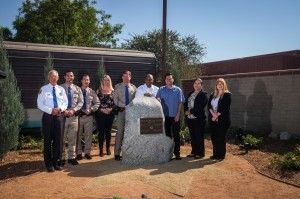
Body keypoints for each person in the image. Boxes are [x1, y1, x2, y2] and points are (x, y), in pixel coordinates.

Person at [37, 70, 68, 172]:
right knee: (47, 140)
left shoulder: (61, 89)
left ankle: (56, 162)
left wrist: (60, 109)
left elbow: (65, 102)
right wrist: (51, 110)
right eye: (52, 76)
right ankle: (48, 163)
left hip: (59, 117)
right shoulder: (43, 89)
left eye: (56, 76)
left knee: (58, 140)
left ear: (58, 78)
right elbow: (40, 104)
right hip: (48, 117)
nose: (54, 78)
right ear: (49, 78)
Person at [156, 73, 185, 160]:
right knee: (167, 136)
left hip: (175, 116)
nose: (169, 80)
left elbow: (180, 103)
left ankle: (177, 153)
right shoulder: (161, 89)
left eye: (170, 78)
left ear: (173, 80)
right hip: (165, 117)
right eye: (167, 79)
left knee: (176, 135)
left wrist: (178, 115)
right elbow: (157, 99)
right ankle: (169, 154)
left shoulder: (178, 90)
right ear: (165, 80)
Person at [60, 70, 83, 165]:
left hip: (74, 117)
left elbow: (81, 102)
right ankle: (61, 158)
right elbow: (57, 101)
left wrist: (74, 110)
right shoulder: (60, 88)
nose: (70, 78)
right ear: (65, 77)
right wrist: (64, 110)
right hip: (63, 117)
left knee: (73, 138)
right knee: (61, 138)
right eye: (68, 76)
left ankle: (71, 157)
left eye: (72, 76)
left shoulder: (77, 89)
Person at [113, 70, 136, 161]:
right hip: (121, 112)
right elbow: (115, 100)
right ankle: (117, 153)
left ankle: (128, 152)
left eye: (128, 76)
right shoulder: (117, 87)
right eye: (125, 76)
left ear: (130, 77)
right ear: (122, 77)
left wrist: (130, 107)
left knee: (130, 132)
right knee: (120, 132)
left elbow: (135, 100)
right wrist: (124, 106)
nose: (127, 77)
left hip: (131, 113)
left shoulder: (134, 88)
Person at [76, 74, 100, 160]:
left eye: (88, 80)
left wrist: (92, 109)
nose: (86, 81)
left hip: (89, 117)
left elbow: (97, 103)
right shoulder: (77, 91)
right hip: (79, 117)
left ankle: (87, 152)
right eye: (85, 80)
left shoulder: (92, 92)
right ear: (81, 81)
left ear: (89, 81)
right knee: (78, 135)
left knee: (88, 135)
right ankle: (78, 153)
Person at [208, 78, 231, 160]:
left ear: (224, 85)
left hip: (222, 120)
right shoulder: (213, 94)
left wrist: (216, 116)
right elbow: (209, 106)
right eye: (218, 84)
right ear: (216, 85)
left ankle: (221, 155)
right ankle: (215, 154)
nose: (220, 85)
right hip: (213, 119)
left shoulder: (227, 95)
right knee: (214, 138)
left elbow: (225, 108)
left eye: (221, 84)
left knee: (221, 138)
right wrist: (213, 115)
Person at [184, 78, 208, 159]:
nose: (196, 85)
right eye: (195, 83)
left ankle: (200, 153)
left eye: (199, 83)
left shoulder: (203, 94)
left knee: (199, 136)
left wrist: (190, 111)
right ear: (193, 84)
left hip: (199, 119)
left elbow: (200, 107)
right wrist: (186, 111)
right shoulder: (191, 93)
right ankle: (194, 152)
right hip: (190, 118)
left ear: (201, 85)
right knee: (193, 136)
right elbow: (186, 104)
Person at [96, 75, 115, 157]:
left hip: (110, 114)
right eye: (104, 80)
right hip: (100, 115)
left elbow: (116, 103)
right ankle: (100, 150)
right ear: (102, 81)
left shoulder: (113, 91)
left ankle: (107, 149)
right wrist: (101, 109)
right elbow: (95, 103)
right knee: (101, 133)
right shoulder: (98, 91)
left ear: (110, 81)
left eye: (108, 80)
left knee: (108, 132)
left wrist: (111, 109)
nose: (106, 81)